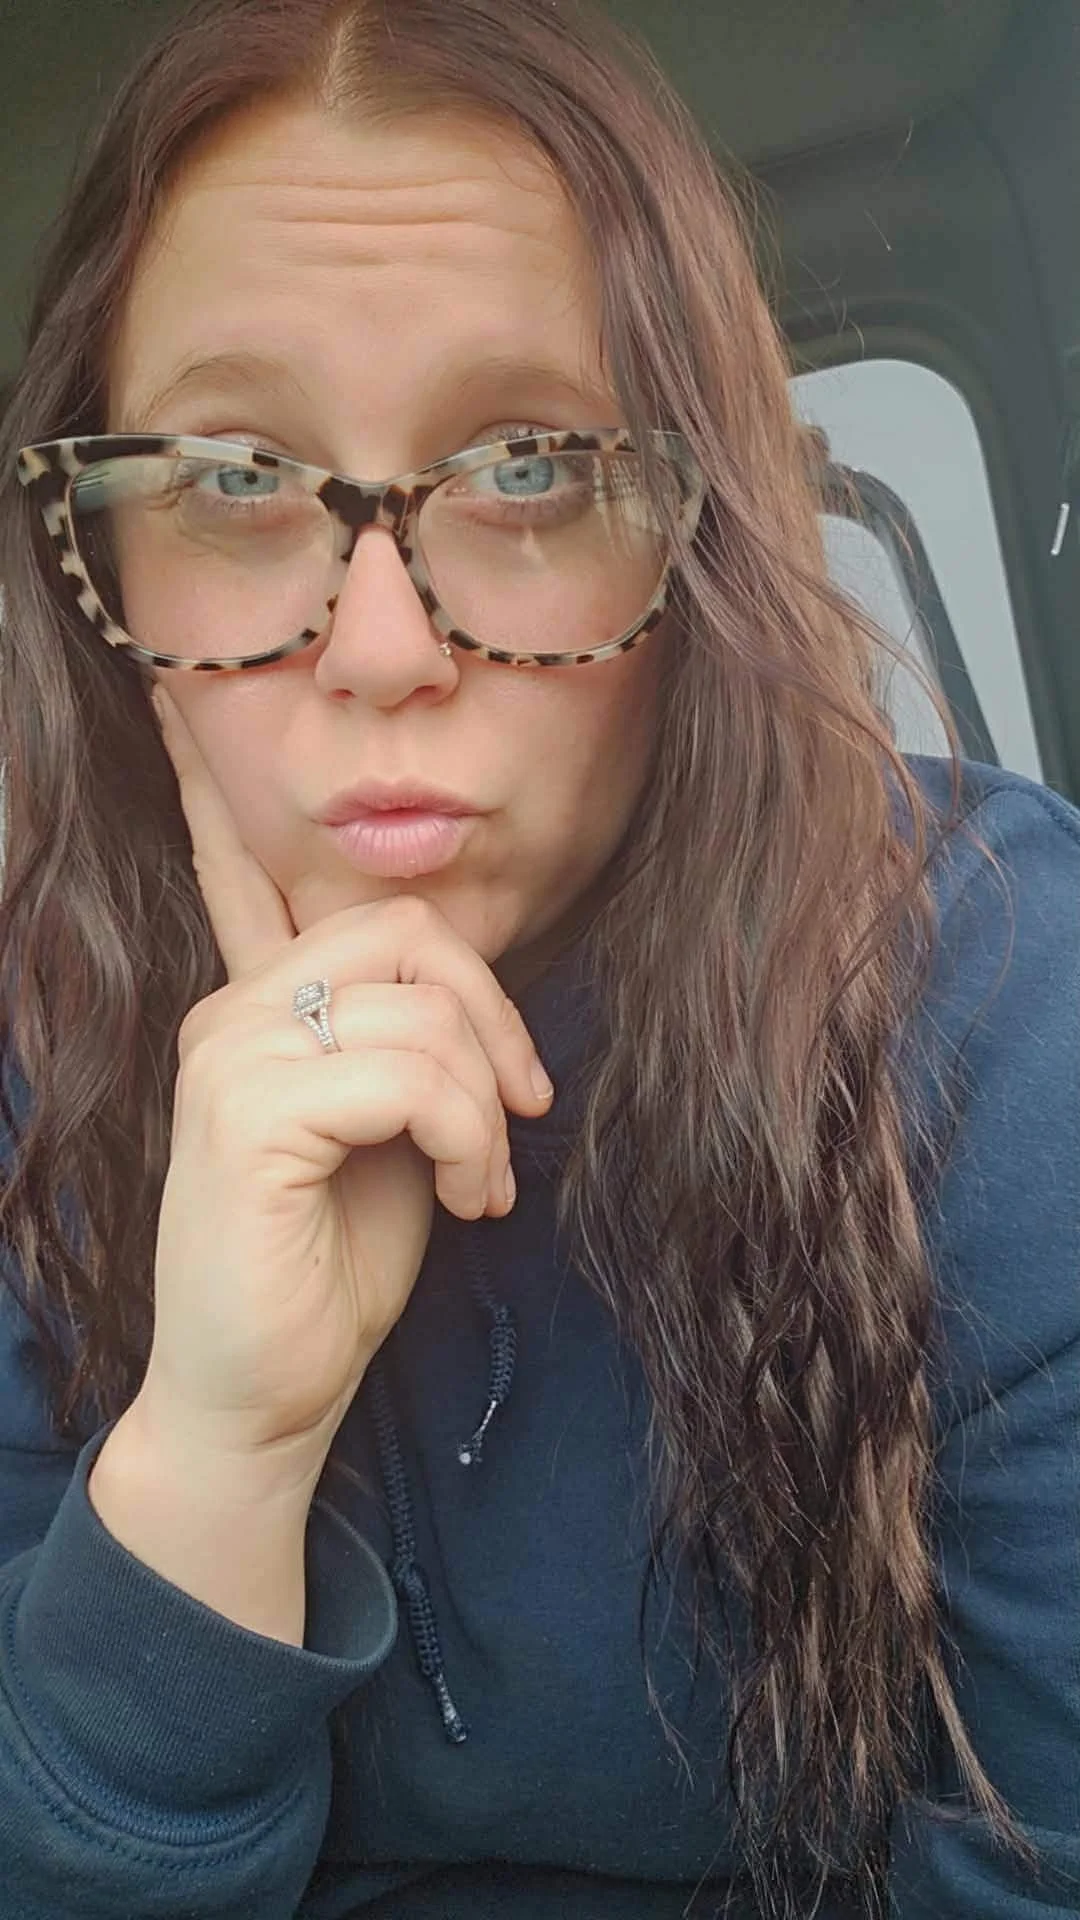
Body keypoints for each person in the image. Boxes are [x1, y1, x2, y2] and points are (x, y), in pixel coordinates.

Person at [0, 0, 1077, 1915]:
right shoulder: (31, 1046)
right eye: (234, 476)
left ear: (699, 541)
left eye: (527, 466)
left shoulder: (1005, 999)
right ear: (97, 567)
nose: (384, 647)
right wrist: (214, 1456)